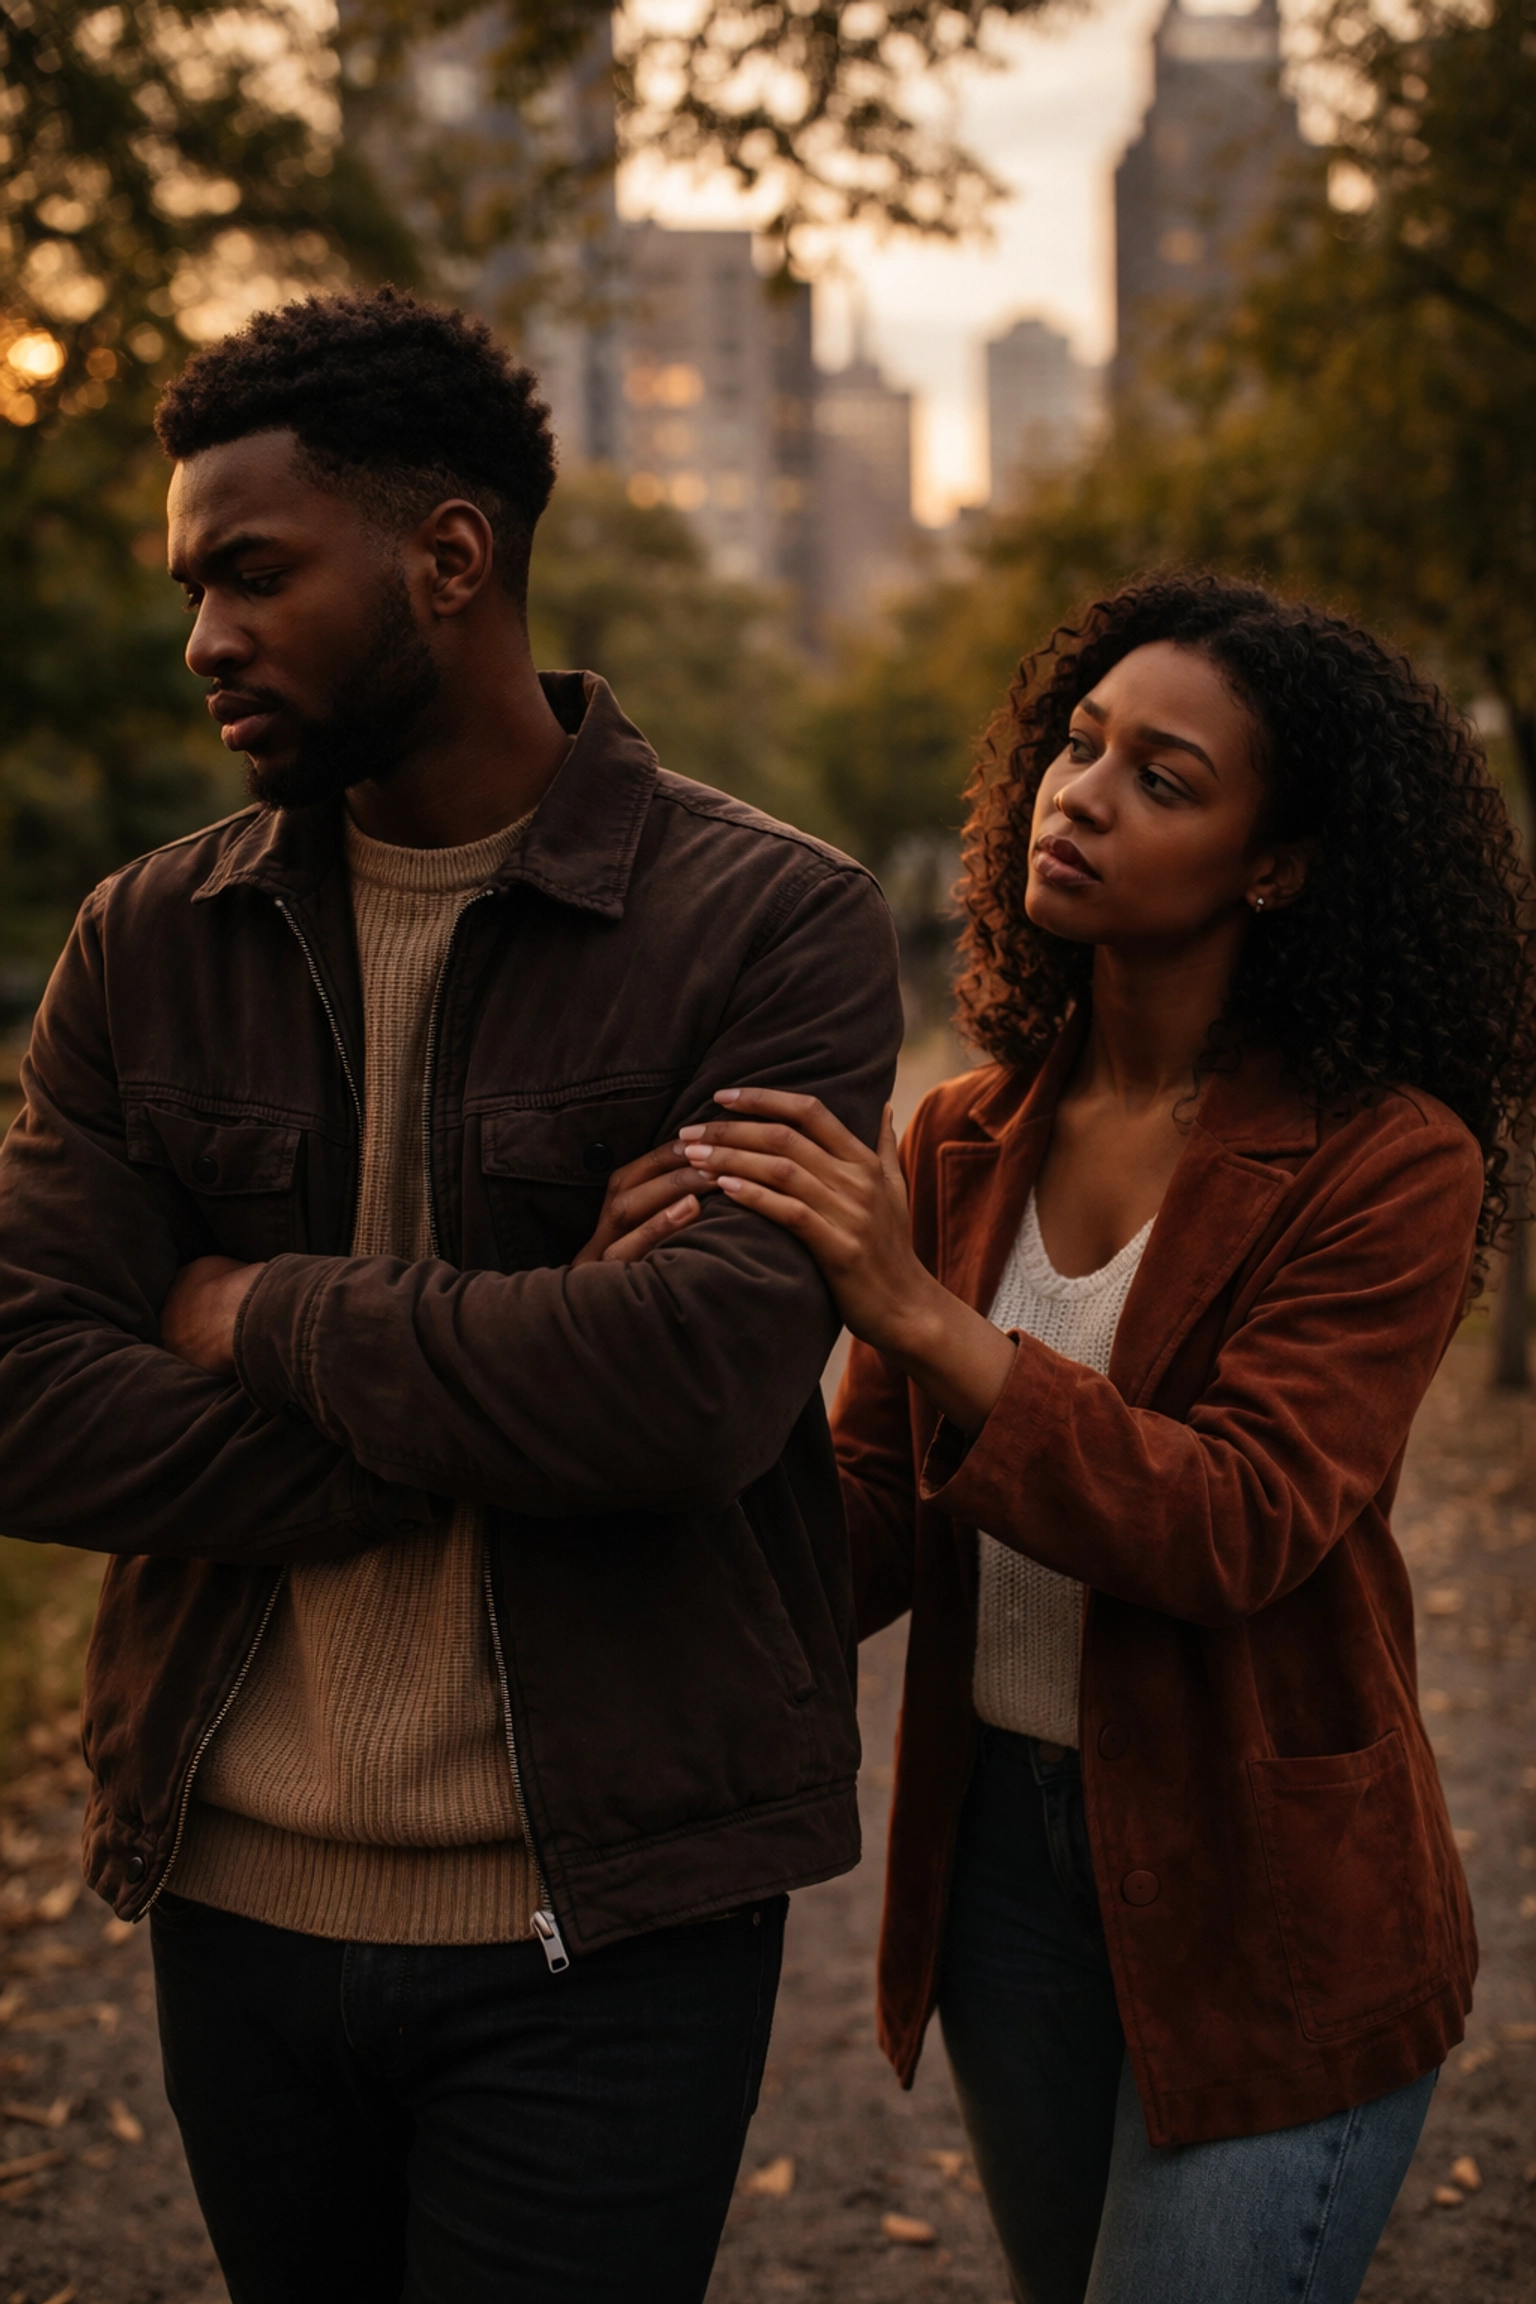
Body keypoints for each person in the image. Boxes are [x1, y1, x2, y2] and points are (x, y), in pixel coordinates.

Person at [0, 287, 902, 2304]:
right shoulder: (144, 945)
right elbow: (23, 1395)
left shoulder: (773, 925)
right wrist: (485, 1411)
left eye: (252, 573)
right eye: (189, 586)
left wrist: (252, 1315)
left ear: (451, 556)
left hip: (609, 1918)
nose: (202, 638)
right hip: (230, 1894)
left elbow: (687, 1395)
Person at [655, 573, 1536, 2302]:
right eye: (1079, 743)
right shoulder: (967, 1133)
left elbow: (1239, 1524)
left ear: (1276, 866)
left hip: (1274, 1886)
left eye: (1164, 777)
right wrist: (655, 1369)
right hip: (1002, 1876)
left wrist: (918, 1315)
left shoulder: (1389, 1159)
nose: (1082, 792)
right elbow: (872, 1525)